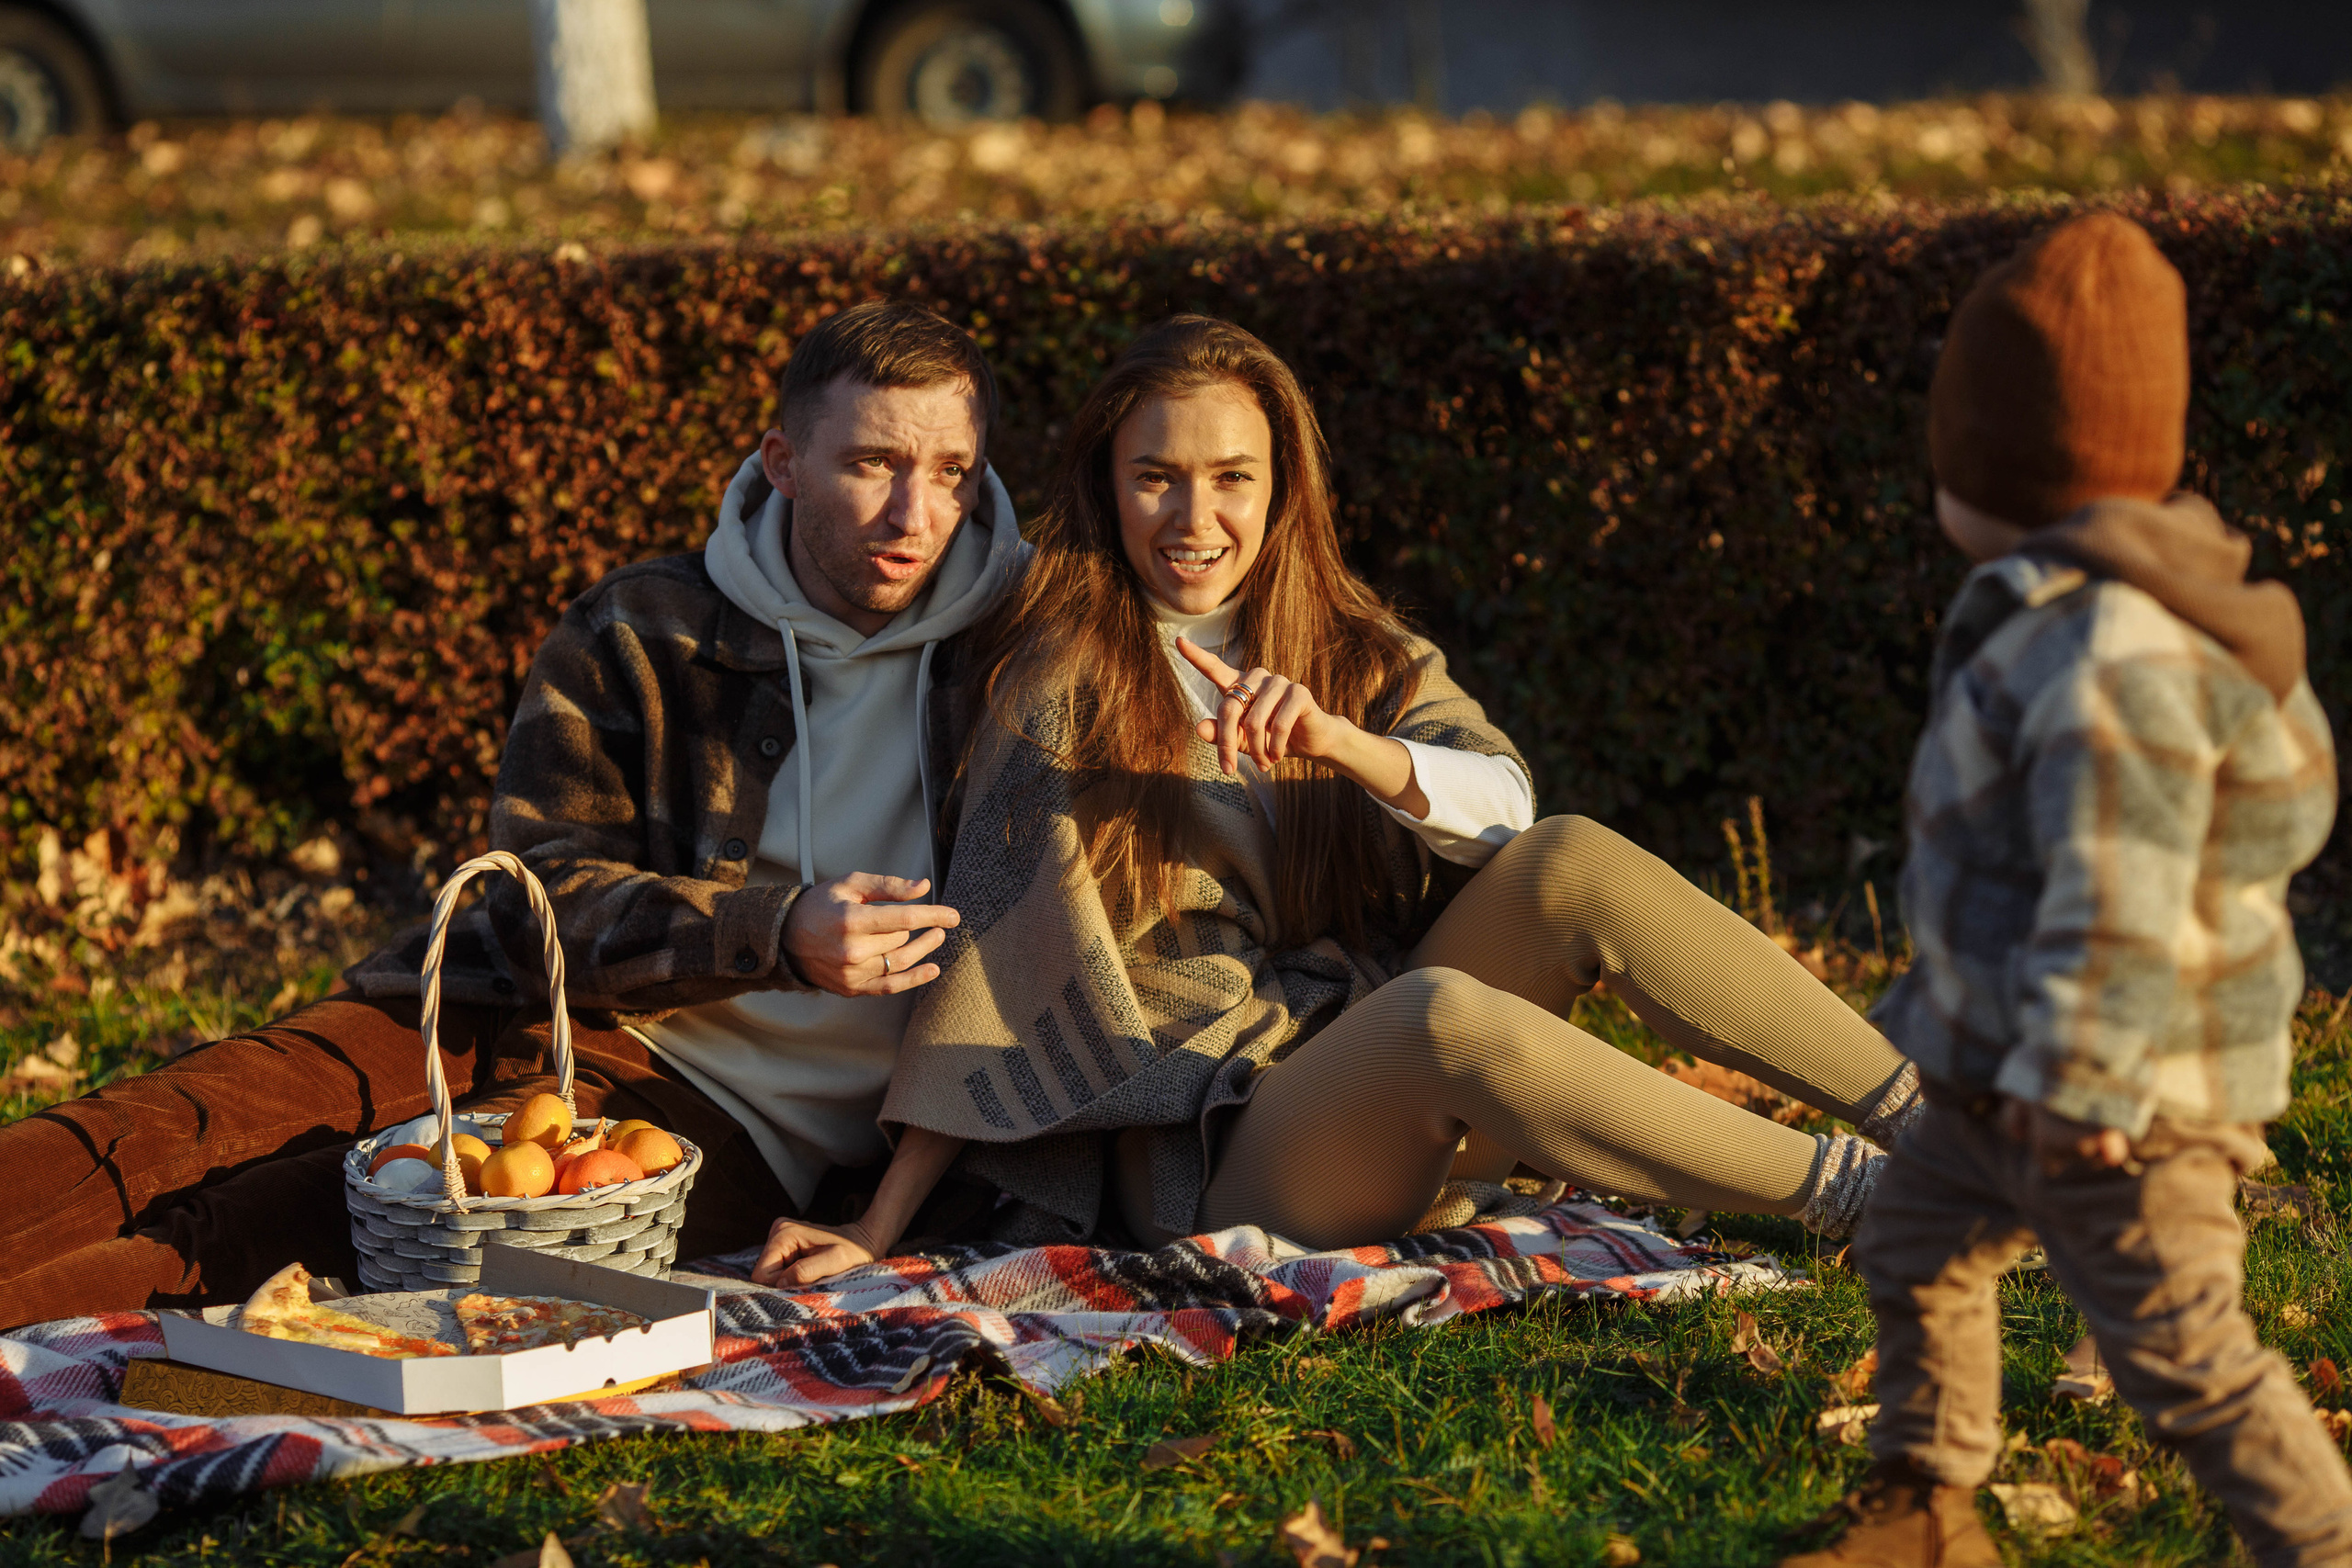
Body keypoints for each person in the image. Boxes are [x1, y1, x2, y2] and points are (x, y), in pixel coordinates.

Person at [750, 314, 1928, 1288]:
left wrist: (1344, 747)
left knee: (1566, 859)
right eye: (1154, 477)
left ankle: (1935, 1126)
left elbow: (1507, 811)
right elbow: (995, 965)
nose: (1194, 520)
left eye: (1230, 479)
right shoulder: (1065, 678)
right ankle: (1878, 1202)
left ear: (1280, 486)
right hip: (1220, 1141)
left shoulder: (1342, 642)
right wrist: (880, 1226)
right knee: (1437, 1019)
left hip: (1352, 1035)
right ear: (1107, 488)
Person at [0, 300, 1024, 1330]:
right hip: (489, 1001)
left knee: (256, 1228)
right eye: (870, 464)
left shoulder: (1025, 660)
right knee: (158, 1125)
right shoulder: (643, 627)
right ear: (783, 462)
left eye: (950, 474)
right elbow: (545, 886)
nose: (913, 515)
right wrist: (777, 933)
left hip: (712, 1120)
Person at [1781, 216, 2350, 1568]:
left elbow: (2123, 882)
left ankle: (2314, 1537)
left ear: (1999, 471)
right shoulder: (2058, 610)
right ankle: (1923, 1500)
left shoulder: (2110, 654)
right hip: (1999, 1082)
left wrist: (2083, 1078)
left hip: (2117, 1107)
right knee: (1916, 1247)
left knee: (2182, 1353)